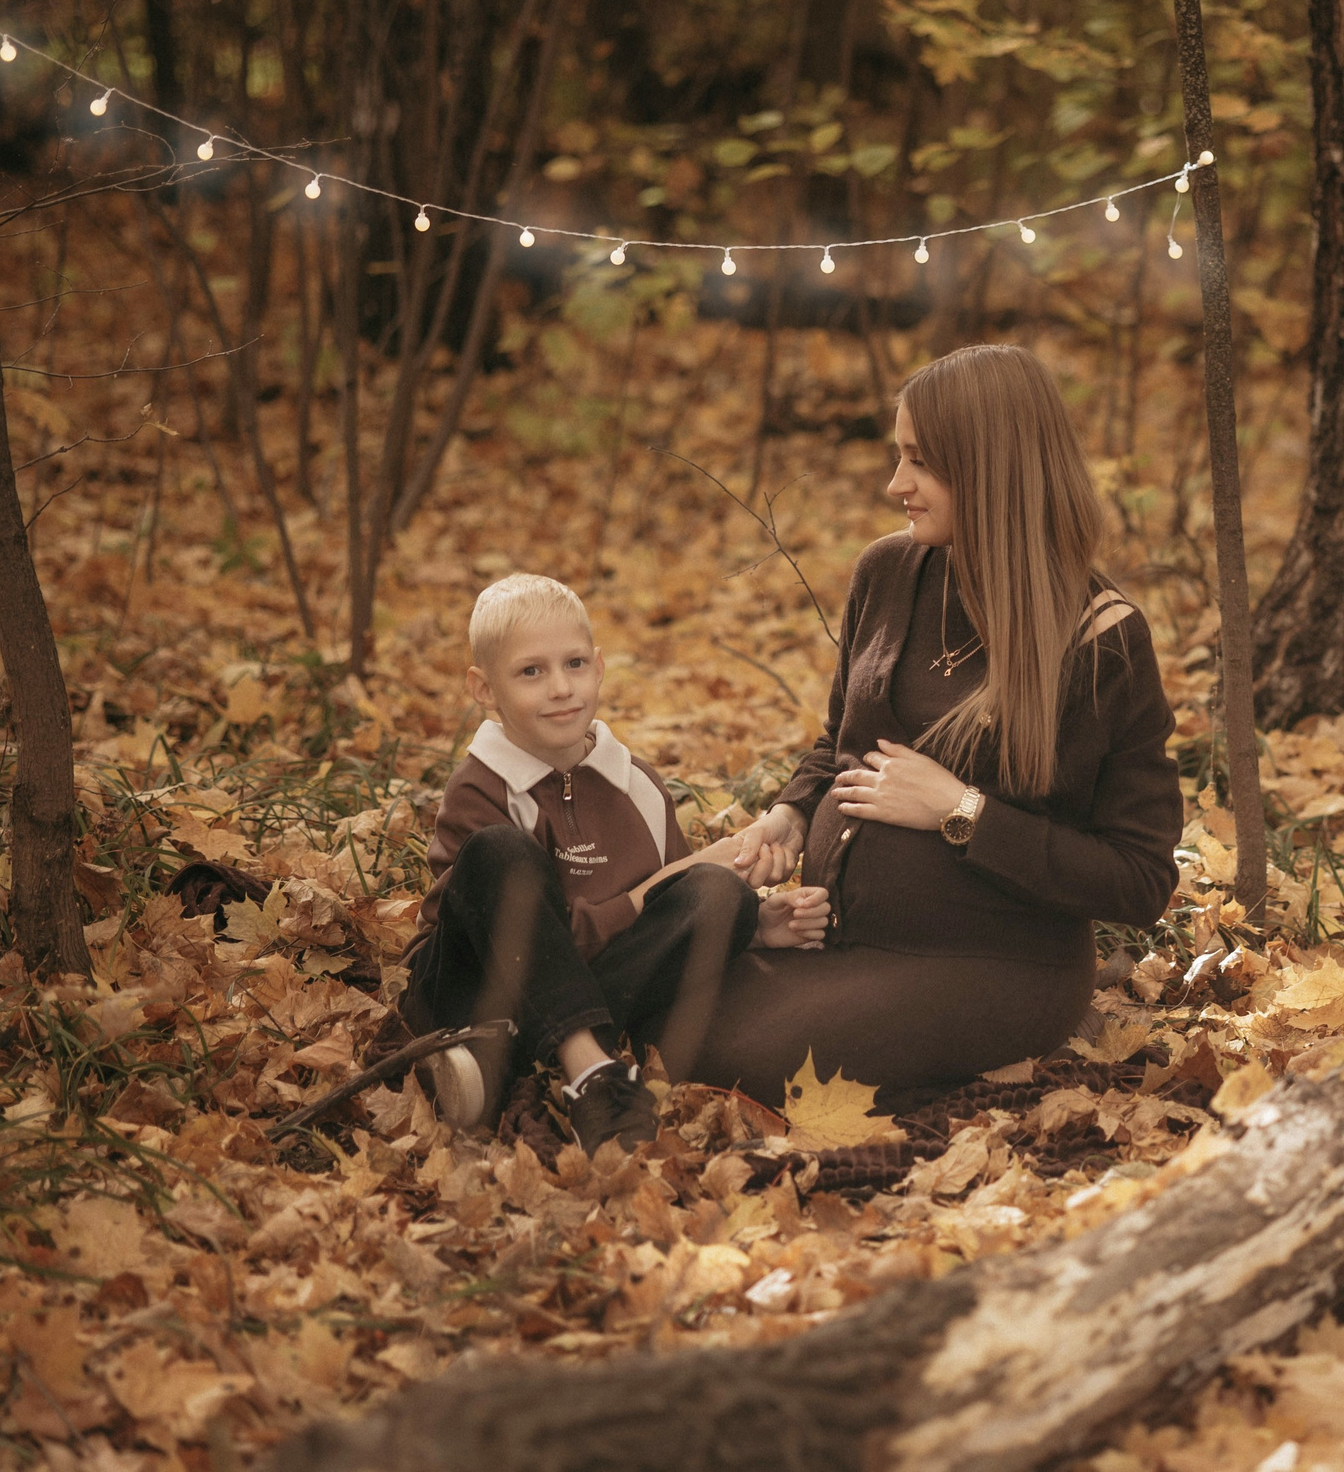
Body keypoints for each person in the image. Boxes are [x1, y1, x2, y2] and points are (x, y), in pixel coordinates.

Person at [698, 344, 1183, 1109]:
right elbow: (839, 741)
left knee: (750, 1060)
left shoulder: (1101, 640)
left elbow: (1139, 879)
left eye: (920, 462)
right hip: (833, 941)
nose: (897, 485)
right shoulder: (890, 573)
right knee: (671, 990)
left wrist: (963, 812)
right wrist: (790, 814)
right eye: (899, 456)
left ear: (989, 470)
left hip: (993, 963)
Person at [400, 574, 831, 1151]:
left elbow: (674, 914)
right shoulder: (480, 789)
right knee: (499, 852)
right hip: (474, 983)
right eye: (531, 672)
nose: (560, 687)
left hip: (583, 992)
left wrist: (754, 924)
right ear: (484, 689)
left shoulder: (638, 785)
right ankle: (589, 1075)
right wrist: (653, 889)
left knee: (719, 892)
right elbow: (541, 938)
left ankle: (508, 1067)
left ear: (599, 666)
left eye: (575, 664)